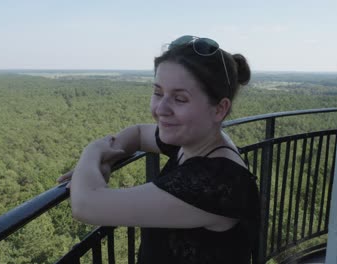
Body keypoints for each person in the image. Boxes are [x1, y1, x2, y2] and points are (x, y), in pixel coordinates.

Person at [57, 35, 260, 264]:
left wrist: (92, 152)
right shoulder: (197, 142)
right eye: (158, 93)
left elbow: (86, 205)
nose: (161, 109)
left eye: (180, 99)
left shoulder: (218, 181)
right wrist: (106, 160)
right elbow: (139, 133)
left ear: (219, 109)